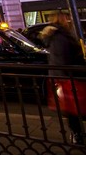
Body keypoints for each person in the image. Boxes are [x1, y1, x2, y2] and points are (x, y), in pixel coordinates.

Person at [39, 11, 86, 144]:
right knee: (73, 108)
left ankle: (77, 133)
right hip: (66, 77)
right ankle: (77, 134)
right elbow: (61, 59)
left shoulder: (60, 34)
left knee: (74, 108)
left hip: (66, 76)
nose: (69, 20)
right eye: (67, 17)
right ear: (62, 19)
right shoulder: (59, 36)